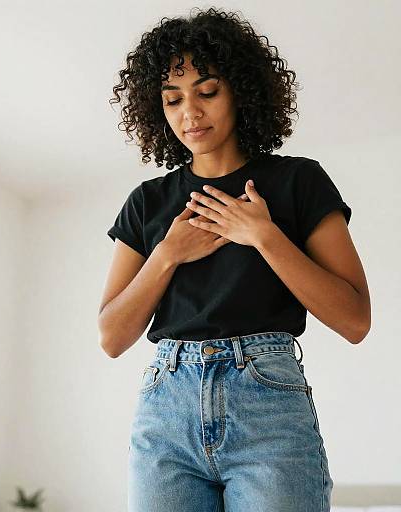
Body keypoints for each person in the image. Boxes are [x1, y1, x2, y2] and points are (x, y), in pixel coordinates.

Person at [98, 7, 371, 512]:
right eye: (172, 99)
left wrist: (264, 236)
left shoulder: (298, 182)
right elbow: (112, 336)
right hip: (166, 412)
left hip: (268, 405)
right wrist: (166, 255)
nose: (189, 113)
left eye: (207, 91)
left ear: (240, 91)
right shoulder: (147, 202)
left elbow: (355, 320)